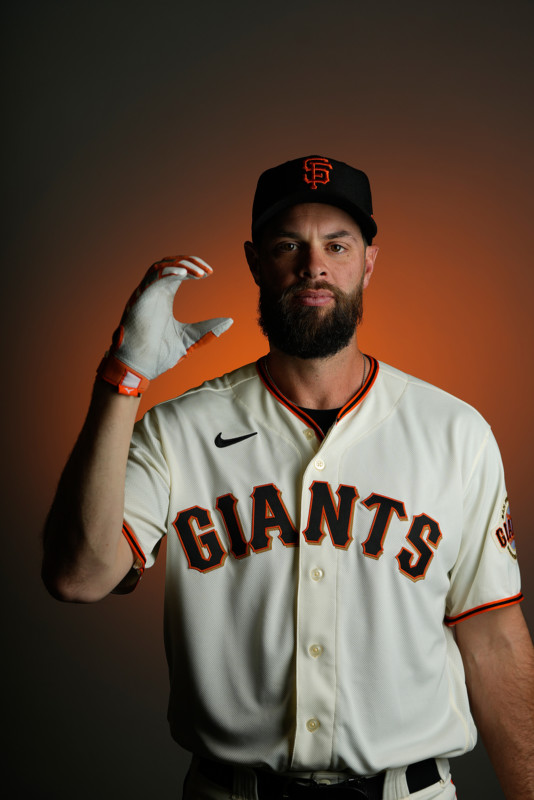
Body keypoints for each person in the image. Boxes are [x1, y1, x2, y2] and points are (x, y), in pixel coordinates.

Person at [42, 155, 534, 800]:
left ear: (368, 262)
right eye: (287, 245)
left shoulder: (455, 431)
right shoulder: (178, 429)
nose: (314, 266)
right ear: (254, 262)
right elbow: (78, 576)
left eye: (337, 244)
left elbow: (493, 639)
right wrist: (123, 378)